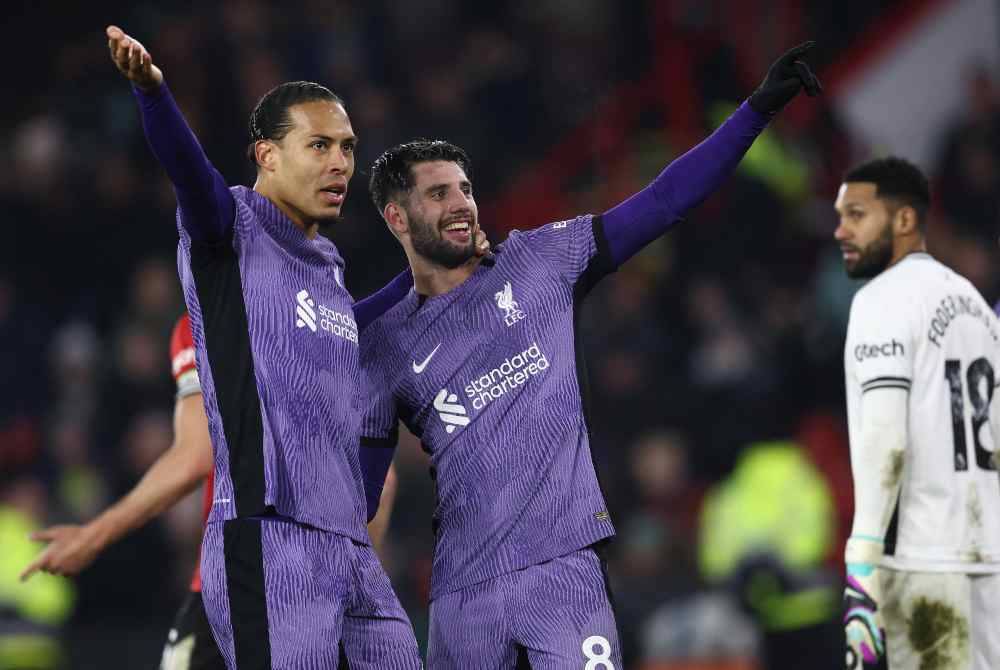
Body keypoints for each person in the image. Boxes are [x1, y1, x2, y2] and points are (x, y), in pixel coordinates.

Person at [358, 44, 821, 668]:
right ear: (396, 217)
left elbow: (662, 203)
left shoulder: (541, 262)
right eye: (438, 194)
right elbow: (364, 484)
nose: (462, 203)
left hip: (564, 572)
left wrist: (755, 111)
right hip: (464, 594)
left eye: (465, 189)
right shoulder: (386, 342)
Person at [104, 24, 426, 670]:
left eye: (348, 147)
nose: (340, 162)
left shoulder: (326, 263)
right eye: (319, 145)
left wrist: (427, 276)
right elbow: (189, 174)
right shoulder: (230, 230)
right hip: (266, 538)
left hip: (347, 547)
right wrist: (153, 94)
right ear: (267, 155)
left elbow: (341, 332)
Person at [18, 313, 402, 669]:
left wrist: (92, 536)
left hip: (237, 588)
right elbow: (380, 483)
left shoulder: (205, 319)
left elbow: (194, 456)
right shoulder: (333, 320)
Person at [835, 157, 1000, 670]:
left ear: (905, 220)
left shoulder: (881, 300)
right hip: (991, 554)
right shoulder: (974, 303)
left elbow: (887, 434)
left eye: (857, 215)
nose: (841, 230)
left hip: (925, 558)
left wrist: (862, 556)